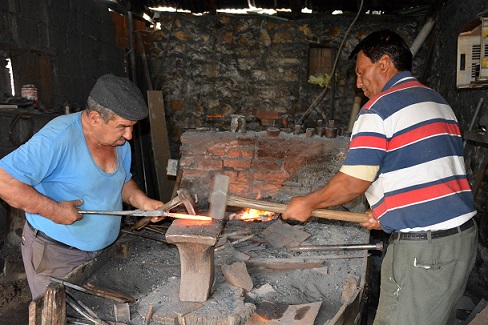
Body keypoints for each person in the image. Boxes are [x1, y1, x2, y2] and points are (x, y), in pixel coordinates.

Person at [283, 30, 477, 324]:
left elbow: (353, 182)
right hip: (461, 242)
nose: (359, 84)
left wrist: (308, 203)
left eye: (361, 73)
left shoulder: (378, 109)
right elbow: (426, 171)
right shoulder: (437, 101)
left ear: (384, 64)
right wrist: (387, 212)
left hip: (424, 253)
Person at [0, 74, 164, 299]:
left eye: (132, 127)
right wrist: (54, 211)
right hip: (56, 255)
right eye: (123, 127)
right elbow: (4, 181)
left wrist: (142, 201)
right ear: (95, 117)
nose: (129, 135)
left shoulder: (118, 141)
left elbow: (122, 181)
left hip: (101, 253)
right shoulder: (58, 137)